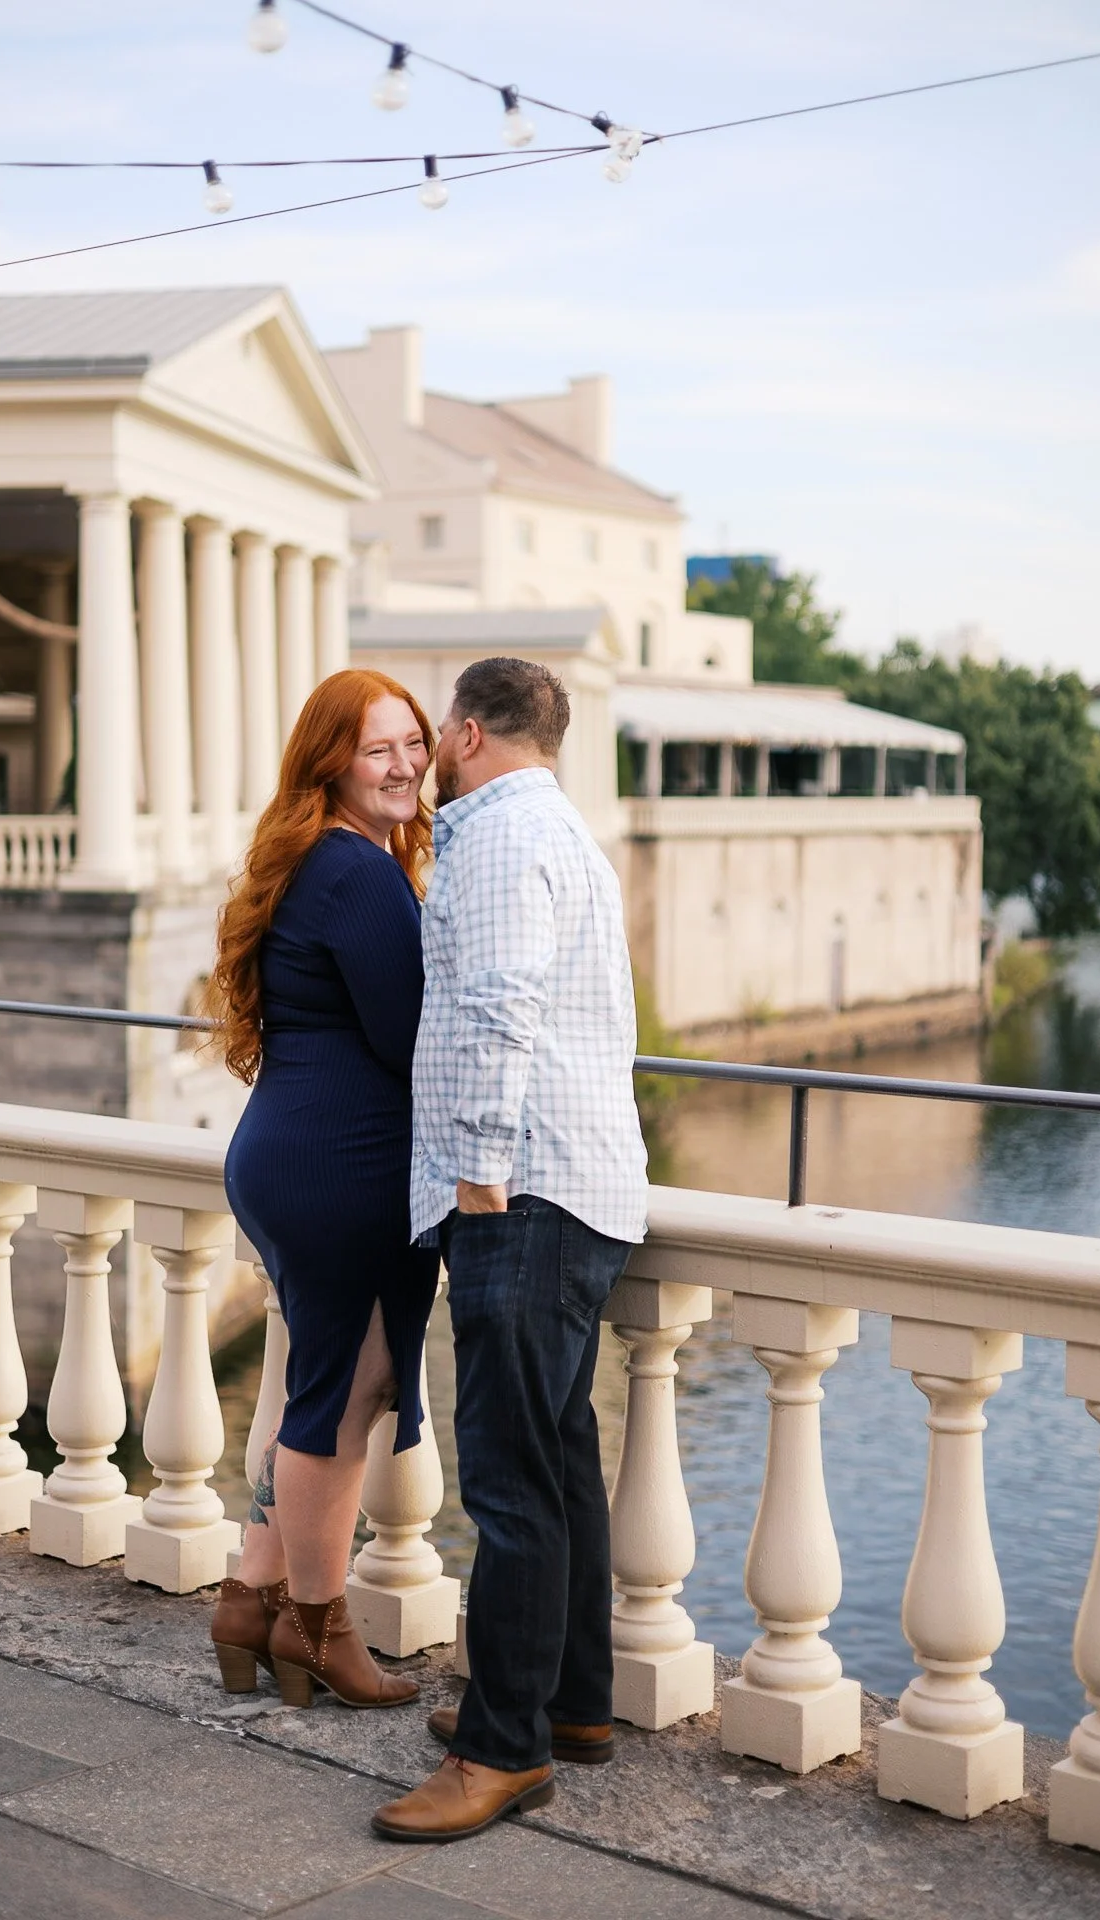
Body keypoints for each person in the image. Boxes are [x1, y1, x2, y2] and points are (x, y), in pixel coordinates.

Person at [372, 656, 649, 1844]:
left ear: (468, 732)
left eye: (439, 729)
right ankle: (568, 1703)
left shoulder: (492, 833)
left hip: (521, 1191)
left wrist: (479, 1172)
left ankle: (501, 1748)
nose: (432, 750)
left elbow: (497, 1004)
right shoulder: (566, 833)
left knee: (508, 1480)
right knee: (559, 1457)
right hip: (579, 1187)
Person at [206, 667, 441, 1711]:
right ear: (331, 763)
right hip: (344, 1167)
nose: (402, 764)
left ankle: (248, 1600)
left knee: (324, 1389)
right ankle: (319, 1626)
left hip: (291, 1154)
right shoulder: (357, 872)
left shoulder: (317, 856)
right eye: (376, 748)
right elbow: (412, 1040)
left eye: (413, 742)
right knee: (342, 1402)